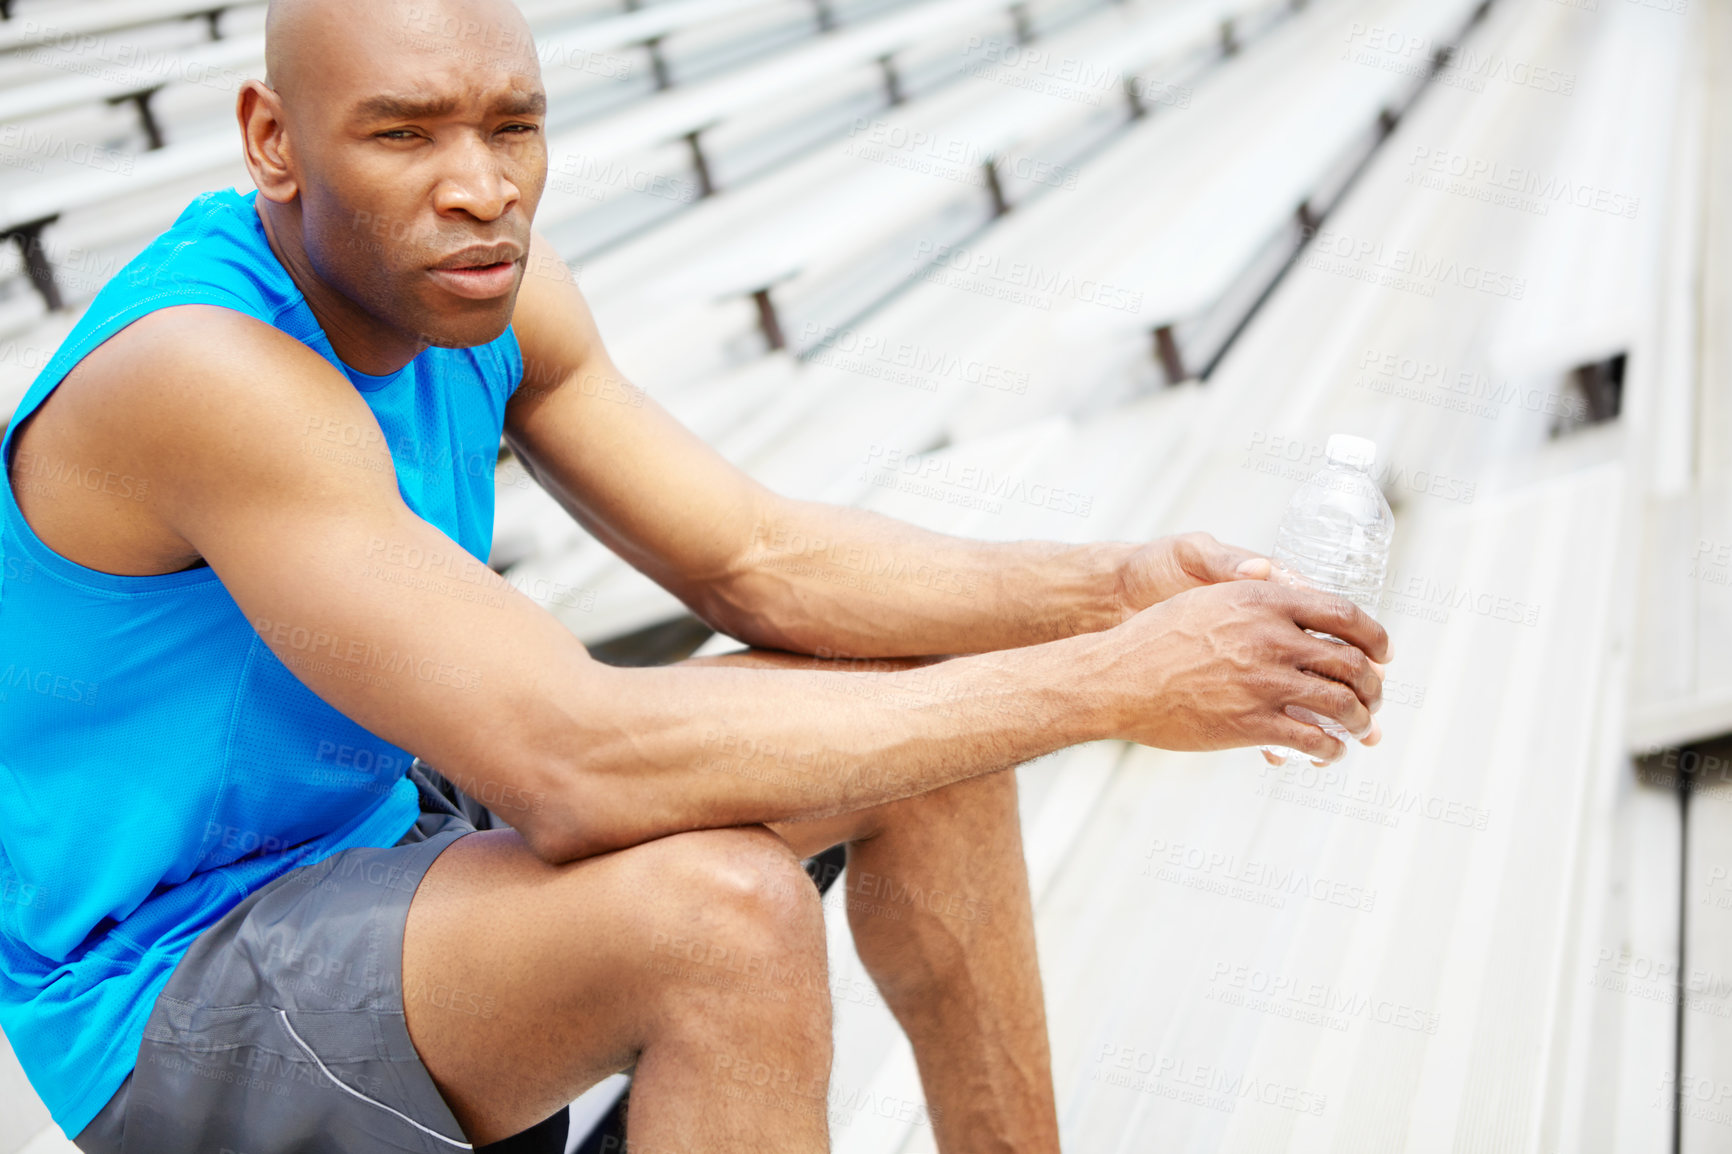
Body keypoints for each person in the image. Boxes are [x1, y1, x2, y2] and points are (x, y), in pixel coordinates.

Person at [0, 0, 1389, 1150]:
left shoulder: (480, 275)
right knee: (722, 925)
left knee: (921, 729)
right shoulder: (203, 373)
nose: (479, 184)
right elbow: (571, 755)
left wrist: (1120, 587)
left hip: (378, 832)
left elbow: (754, 554)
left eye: (513, 127)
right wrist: (1112, 680)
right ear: (272, 140)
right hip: (169, 981)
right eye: (401, 133)